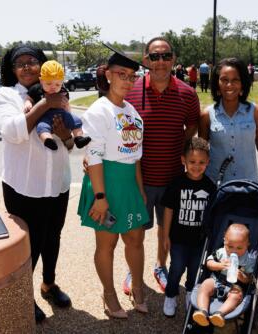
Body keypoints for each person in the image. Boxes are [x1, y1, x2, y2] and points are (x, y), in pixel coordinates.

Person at [0, 45, 74, 323]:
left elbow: (71, 140)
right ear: (12, 69)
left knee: (53, 237)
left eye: (33, 61)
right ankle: (22, 295)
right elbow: (13, 132)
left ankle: (49, 285)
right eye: (21, 63)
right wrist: (44, 105)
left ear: (43, 66)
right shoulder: (6, 95)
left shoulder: (58, 92)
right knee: (30, 243)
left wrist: (65, 135)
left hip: (57, 183)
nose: (27, 66)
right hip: (25, 186)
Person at [124, 37, 200, 294]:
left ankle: (160, 265)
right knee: (135, 232)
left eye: (165, 56)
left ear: (173, 59)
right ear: (146, 60)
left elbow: (191, 128)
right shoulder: (130, 91)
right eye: (154, 57)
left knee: (165, 230)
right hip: (138, 179)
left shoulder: (188, 94)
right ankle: (133, 270)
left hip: (172, 179)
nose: (160, 62)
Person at [78, 44, 150, 319]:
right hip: (104, 184)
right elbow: (93, 156)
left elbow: (136, 156)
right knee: (107, 244)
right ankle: (108, 293)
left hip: (129, 184)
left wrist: (140, 191)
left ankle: (139, 288)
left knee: (135, 239)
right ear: (108, 75)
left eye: (132, 76)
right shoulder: (99, 111)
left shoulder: (132, 111)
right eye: (122, 74)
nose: (128, 80)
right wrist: (100, 197)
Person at [199, 58, 258, 186]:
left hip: (248, 185)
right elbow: (201, 152)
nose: (229, 85)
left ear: (242, 83)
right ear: (217, 83)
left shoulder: (256, 112)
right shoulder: (207, 115)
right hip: (215, 186)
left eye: (235, 80)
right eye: (224, 80)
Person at [161, 137, 215, 317]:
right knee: (176, 268)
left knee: (194, 271)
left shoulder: (210, 186)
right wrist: (165, 235)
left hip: (199, 241)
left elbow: (212, 216)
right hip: (178, 239)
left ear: (208, 162)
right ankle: (170, 295)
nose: (196, 166)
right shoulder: (177, 184)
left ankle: (191, 294)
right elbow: (168, 210)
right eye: (192, 162)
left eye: (201, 162)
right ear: (183, 160)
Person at [193, 224, 256, 328]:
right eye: (230, 246)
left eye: (239, 248)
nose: (234, 251)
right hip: (216, 279)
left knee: (236, 295)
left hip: (235, 285)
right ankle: (202, 311)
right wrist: (218, 265)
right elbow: (208, 263)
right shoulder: (221, 252)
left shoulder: (248, 259)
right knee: (204, 285)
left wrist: (241, 276)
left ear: (247, 245)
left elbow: (249, 279)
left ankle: (220, 314)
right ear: (224, 241)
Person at [24, 60, 90, 150]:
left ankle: (79, 138)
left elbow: (66, 105)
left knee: (76, 121)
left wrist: (69, 116)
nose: (53, 87)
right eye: (48, 83)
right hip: (44, 117)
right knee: (41, 127)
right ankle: (48, 140)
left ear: (62, 82)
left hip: (62, 114)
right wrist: (27, 103)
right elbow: (29, 97)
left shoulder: (63, 91)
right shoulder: (37, 89)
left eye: (58, 84)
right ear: (41, 80)